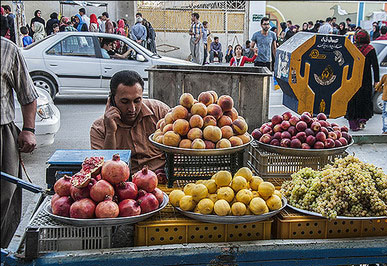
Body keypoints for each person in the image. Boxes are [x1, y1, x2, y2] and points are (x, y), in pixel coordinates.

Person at [90, 70, 170, 173]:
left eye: (137, 101)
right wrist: (110, 132)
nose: (132, 109)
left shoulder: (160, 112)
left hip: (161, 177)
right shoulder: (98, 128)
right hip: (123, 182)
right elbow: (103, 170)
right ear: (112, 100)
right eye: (125, 102)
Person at [1, 36, 38, 248]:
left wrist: (28, 130)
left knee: (5, 197)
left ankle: (3, 248)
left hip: (2, 132)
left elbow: (27, 95)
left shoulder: (7, 49)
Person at [345, 30, 379, 131]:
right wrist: (376, 80)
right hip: (366, 78)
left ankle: (353, 123)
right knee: (364, 99)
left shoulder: (352, 48)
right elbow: (375, 66)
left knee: (352, 100)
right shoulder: (370, 49)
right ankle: (361, 119)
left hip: (352, 78)